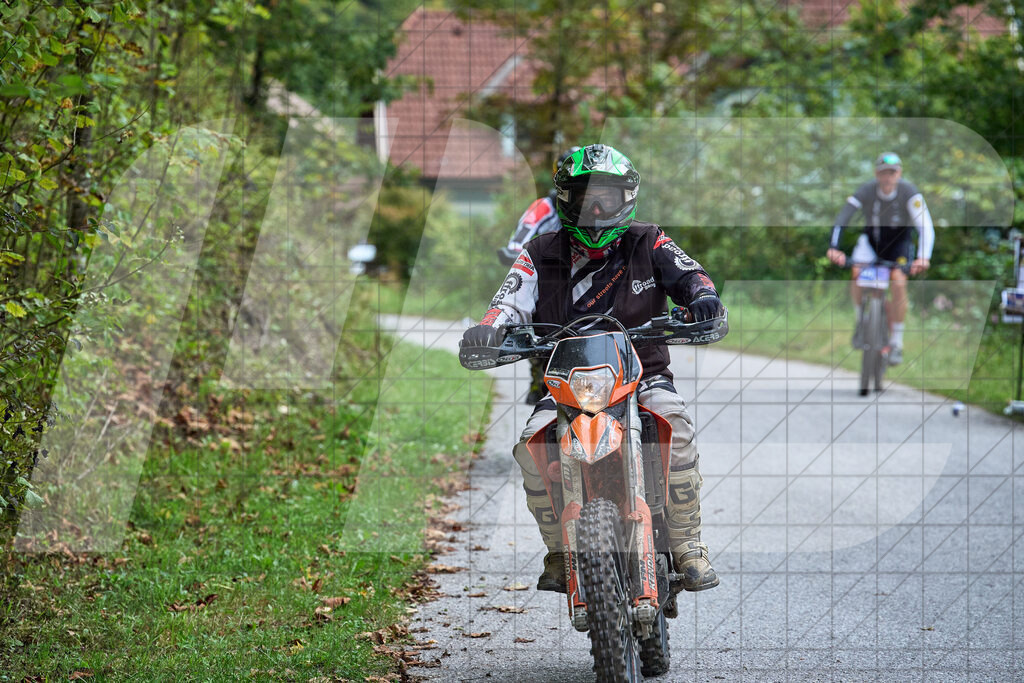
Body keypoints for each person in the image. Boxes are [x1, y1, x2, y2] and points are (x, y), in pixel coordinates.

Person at [462, 144, 723, 594]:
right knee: (531, 445)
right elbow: (507, 302)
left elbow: (689, 273)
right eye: (585, 198)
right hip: (567, 382)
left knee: (675, 429)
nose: (597, 209)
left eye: (608, 197)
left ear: (628, 198)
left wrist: (702, 297)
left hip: (643, 376)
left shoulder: (649, 239)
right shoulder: (539, 251)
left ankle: (688, 546)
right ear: (564, 200)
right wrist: (489, 331)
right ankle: (560, 552)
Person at [826, 152, 934, 364]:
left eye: (892, 173)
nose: (888, 178)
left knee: (898, 283)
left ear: (899, 174)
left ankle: (897, 342)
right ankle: (861, 322)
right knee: (856, 273)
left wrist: (923, 257)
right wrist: (834, 247)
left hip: (899, 248)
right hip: (871, 244)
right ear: (877, 174)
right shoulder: (866, 190)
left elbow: (926, 227)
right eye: (884, 173)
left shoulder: (909, 192)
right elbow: (842, 218)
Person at [497, 147, 581, 405]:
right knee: (535, 318)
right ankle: (538, 370)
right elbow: (523, 231)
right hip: (549, 273)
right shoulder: (545, 206)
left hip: (589, 273)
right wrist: (513, 249)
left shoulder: (597, 207)